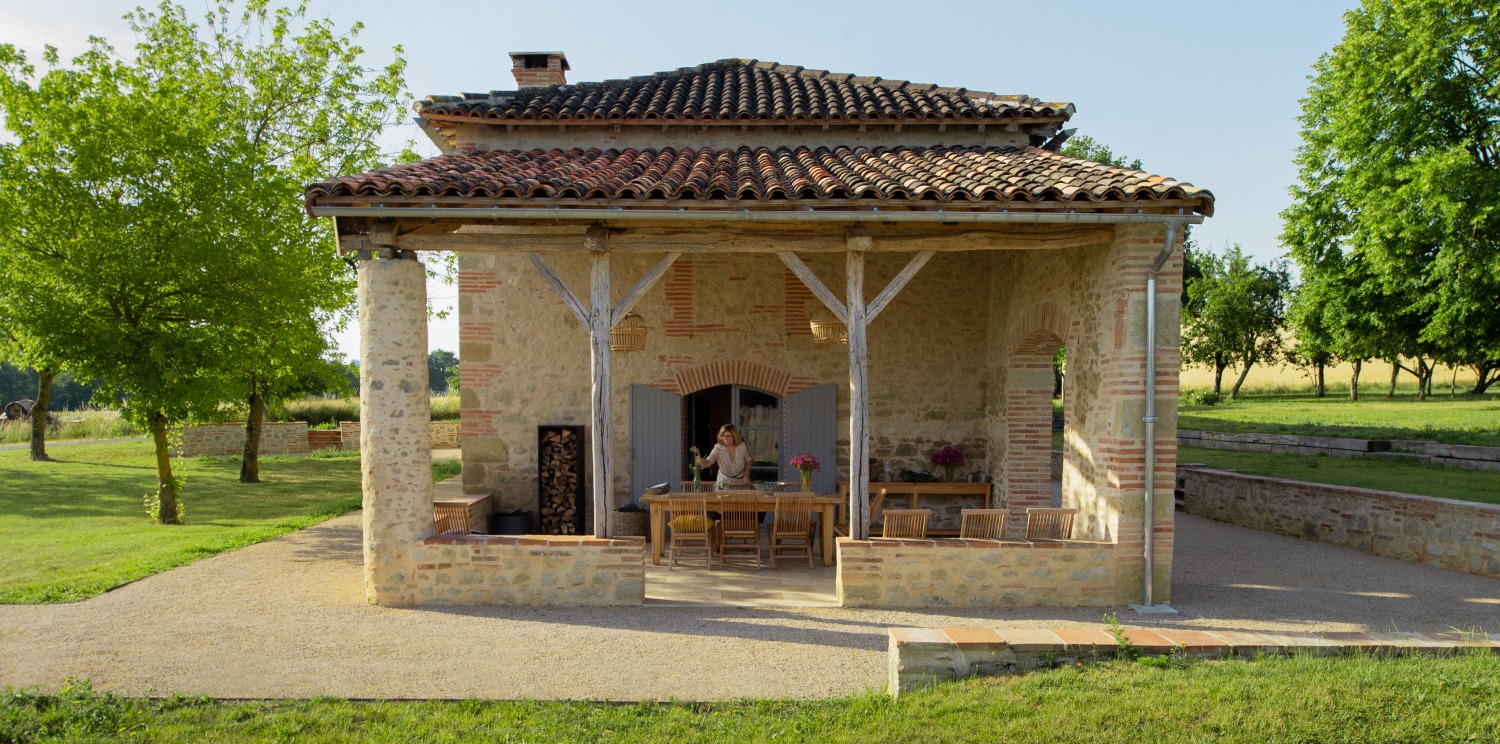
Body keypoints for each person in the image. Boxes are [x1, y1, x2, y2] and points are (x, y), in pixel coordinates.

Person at [692, 424, 752, 490]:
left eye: (729, 436)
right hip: (723, 482)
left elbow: (748, 460)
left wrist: (747, 475)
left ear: (735, 436)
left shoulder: (742, 446)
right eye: (724, 435)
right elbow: (709, 460)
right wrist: (703, 462)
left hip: (741, 481)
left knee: (742, 500)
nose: (726, 438)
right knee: (722, 500)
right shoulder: (718, 448)